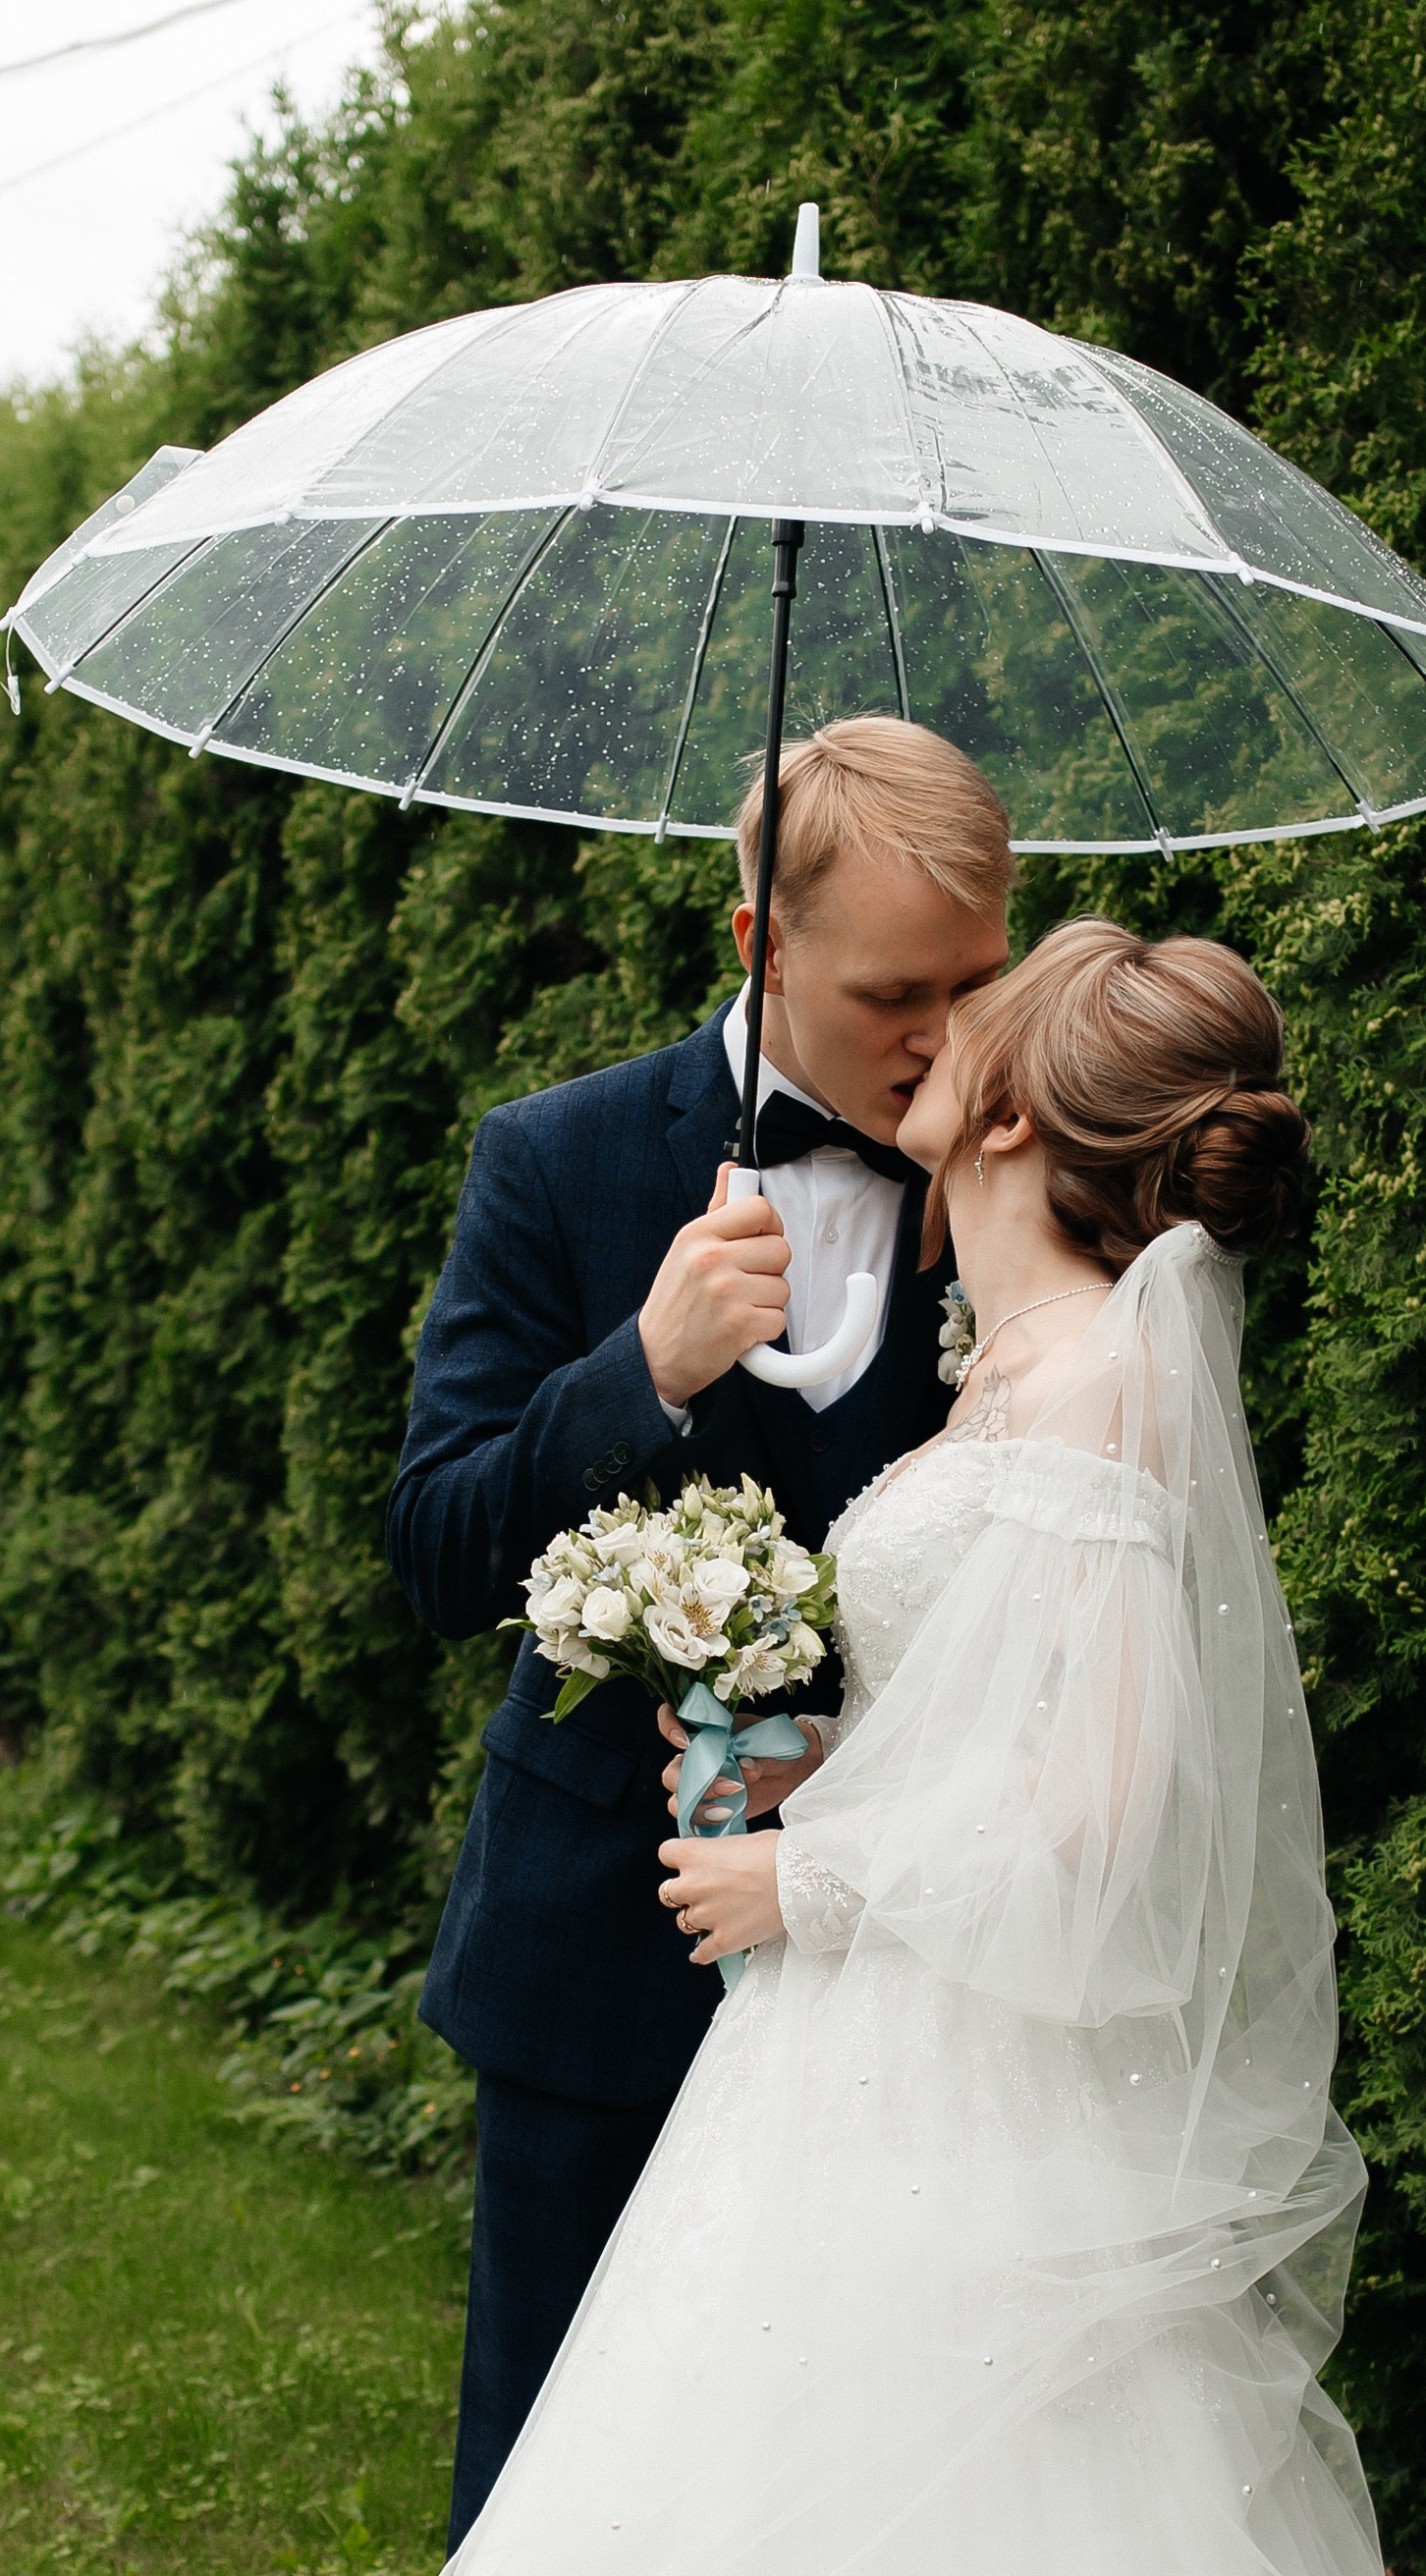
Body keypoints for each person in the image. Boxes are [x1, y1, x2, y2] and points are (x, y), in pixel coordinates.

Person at [443, 916, 1385, 2576]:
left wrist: (810, 1878)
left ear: (1010, 1116)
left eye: (975, 1009)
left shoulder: (1098, 1384)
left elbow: (1102, 1804)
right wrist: (807, 1751)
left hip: (965, 2076)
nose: (936, 1026)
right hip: (865, 2041)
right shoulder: (1009, 1363)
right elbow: (1000, 1712)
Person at [385, 718, 1015, 2548]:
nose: (947, 1038)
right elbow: (437, 1551)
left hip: (899, 1970)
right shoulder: (558, 1160)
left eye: (977, 981)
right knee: (552, 2493)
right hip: (599, 1960)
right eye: (896, 992)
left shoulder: (1020, 1175)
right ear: (759, 944)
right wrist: (639, 1370)